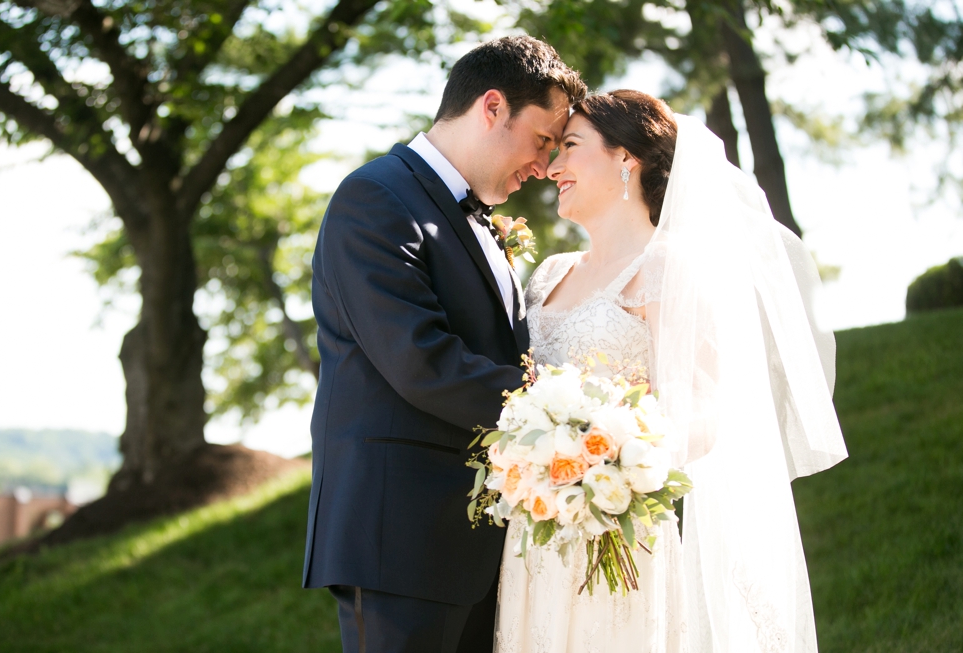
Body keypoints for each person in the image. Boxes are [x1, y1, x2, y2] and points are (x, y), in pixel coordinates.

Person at [495, 90, 848, 652]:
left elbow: (707, 412)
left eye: (570, 147)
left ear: (625, 159)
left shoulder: (667, 267)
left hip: (615, 522)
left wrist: (610, 458)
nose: (553, 167)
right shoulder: (548, 274)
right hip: (534, 529)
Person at [301, 36, 586, 653]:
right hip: (397, 537)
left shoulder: (476, 217)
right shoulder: (374, 197)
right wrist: (573, 420)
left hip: (478, 539)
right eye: (542, 139)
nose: (543, 164)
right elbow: (421, 360)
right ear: (491, 106)